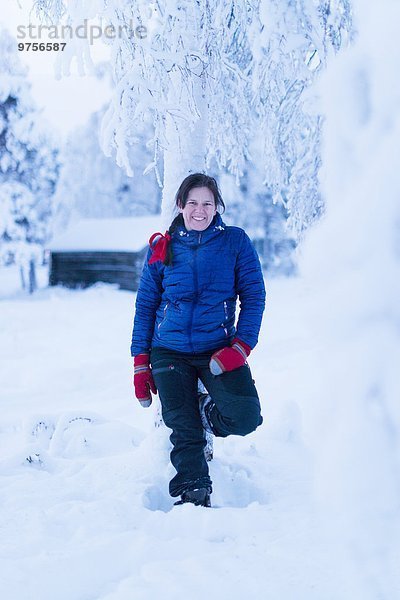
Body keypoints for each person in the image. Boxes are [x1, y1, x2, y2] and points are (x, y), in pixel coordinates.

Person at [131, 173, 266, 507]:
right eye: (192, 203)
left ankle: (205, 411)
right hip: (169, 351)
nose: (199, 210)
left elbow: (254, 296)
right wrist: (140, 364)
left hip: (217, 350)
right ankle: (194, 492)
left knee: (246, 417)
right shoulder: (163, 247)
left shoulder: (235, 242)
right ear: (181, 205)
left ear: (216, 206)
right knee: (183, 426)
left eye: (207, 203)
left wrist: (241, 347)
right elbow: (145, 307)